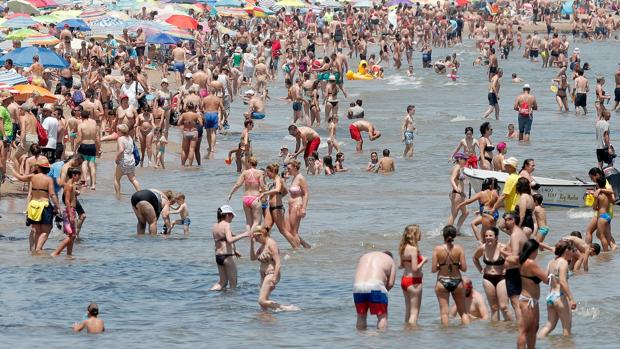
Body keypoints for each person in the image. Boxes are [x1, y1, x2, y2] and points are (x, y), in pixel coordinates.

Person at [7, 158, 60, 253]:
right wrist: (57, 206)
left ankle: (33, 250)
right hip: (44, 205)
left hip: (33, 205)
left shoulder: (32, 177)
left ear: (38, 168)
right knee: (46, 230)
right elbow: (52, 194)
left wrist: (12, 169)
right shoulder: (48, 179)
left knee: (35, 229)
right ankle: (38, 249)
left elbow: (20, 178)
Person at [512, 239, 549, 349]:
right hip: (528, 301)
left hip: (533, 300)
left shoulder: (523, 261)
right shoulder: (530, 263)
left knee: (534, 328)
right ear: (533, 250)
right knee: (524, 330)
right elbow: (547, 280)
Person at [250, 226, 296, 311]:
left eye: (256, 238)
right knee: (263, 305)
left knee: (261, 300)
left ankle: (286, 308)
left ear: (261, 235)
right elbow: (252, 258)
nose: (255, 240)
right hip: (263, 275)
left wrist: (274, 279)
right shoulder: (262, 246)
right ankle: (265, 320)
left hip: (271, 274)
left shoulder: (271, 243)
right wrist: (252, 243)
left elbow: (278, 263)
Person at [538, 240, 577, 338]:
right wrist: (571, 299)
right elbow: (563, 282)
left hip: (550, 297)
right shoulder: (563, 263)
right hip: (560, 297)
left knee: (549, 326)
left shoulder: (551, 262)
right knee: (566, 328)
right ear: (566, 250)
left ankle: (536, 342)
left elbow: (546, 280)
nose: (574, 253)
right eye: (573, 250)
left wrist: (555, 280)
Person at [432, 225, 470, 326]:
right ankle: (468, 335)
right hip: (457, 281)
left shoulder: (437, 249)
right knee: (463, 313)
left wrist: (441, 266)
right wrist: (456, 265)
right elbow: (464, 268)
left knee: (444, 313)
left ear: (443, 235)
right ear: (454, 235)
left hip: (442, 281)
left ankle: (446, 335)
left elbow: (433, 270)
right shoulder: (459, 249)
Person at [472, 227, 512, 321]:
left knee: (504, 307)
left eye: (490, 236)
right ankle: (495, 332)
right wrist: (480, 269)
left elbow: (512, 259)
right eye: (486, 236)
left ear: (496, 237)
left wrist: (506, 269)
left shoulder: (503, 247)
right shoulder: (482, 248)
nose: (488, 238)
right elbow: (474, 258)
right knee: (494, 307)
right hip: (487, 278)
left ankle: (511, 328)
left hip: (501, 278)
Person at [353, 251, 396, 330]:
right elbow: (390, 284)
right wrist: (383, 294)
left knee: (361, 316)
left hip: (358, 287)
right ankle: (381, 339)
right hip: (375, 286)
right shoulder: (390, 260)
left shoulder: (365, 256)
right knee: (382, 316)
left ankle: (359, 340)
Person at [260, 163, 301, 248]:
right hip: (270, 208)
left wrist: (266, 193)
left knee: (283, 230)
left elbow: (278, 189)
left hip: (277, 208)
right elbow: (285, 191)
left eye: (268, 173)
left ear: (273, 171)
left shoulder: (278, 179)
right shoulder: (274, 180)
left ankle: (296, 248)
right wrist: (277, 196)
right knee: (265, 230)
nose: (267, 175)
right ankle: (267, 248)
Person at [210, 205, 250, 291]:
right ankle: (231, 303)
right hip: (227, 256)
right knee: (233, 284)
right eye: (232, 215)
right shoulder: (227, 225)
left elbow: (221, 241)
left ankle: (209, 293)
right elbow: (230, 240)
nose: (232, 218)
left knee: (222, 282)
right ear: (227, 215)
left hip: (218, 256)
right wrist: (244, 234)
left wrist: (235, 250)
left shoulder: (215, 226)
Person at [398, 224, 427, 326]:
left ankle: (407, 335)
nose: (421, 234)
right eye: (419, 233)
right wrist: (423, 260)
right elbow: (415, 269)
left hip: (404, 280)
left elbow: (400, 266)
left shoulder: (402, 247)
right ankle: (413, 334)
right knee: (414, 313)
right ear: (414, 235)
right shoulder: (413, 249)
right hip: (414, 281)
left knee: (408, 310)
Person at [228, 157, 263, 233]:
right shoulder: (260, 172)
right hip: (255, 198)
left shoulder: (244, 172)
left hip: (246, 198)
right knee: (256, 222)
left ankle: (248, 238)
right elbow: (263, 186)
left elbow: (237, 184)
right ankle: (252, 238)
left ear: (249, 163)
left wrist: (230, 194)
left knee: (248, 222)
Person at [51, 167, 81, 257]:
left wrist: (76, 192)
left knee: (71, 235)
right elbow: (67, 200)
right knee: (72, 236)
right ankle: (56, 252)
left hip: (71, 210)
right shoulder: (70, 185)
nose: (80, 177)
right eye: (79, 175)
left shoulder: (71, 184)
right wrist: (71, 215)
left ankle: (69, 255)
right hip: (69, 211)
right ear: (74, 175)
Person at [286, 160, 311, 248]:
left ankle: (297, 250)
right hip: (291, 205)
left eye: (289, 168)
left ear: (295, 167)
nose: (287, 170)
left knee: (293, 231)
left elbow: (306, 193)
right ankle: (306, 246)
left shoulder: (300, 178)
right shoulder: (294, 177)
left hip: (297, 205)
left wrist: (303, 208)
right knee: (289, 230)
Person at [76, 110, 100, 190]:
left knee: (84, 163)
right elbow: (97, 138)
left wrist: (75, 148)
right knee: (92, 165)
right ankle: (93, 184)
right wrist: (98, 149)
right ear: (88, 116)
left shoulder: (81, 126)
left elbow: (79, 139)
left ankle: (85, 182)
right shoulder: (94, 125)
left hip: (84, 145)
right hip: (92, 145)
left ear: (81, 117)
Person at [113, 124, 140, 196]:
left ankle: (118, 195)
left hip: (123, 160)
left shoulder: (120, 139)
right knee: (133, 179)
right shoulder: (130, 138)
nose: (117, 131)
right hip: (131, 160)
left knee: (116, 179)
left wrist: (116, 158)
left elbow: (121, 150)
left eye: (117, 130)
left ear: (120, 131)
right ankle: (139, 192)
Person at [448, 153, 469, 234]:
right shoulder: (456, 167)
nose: (466, 161)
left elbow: (459, 182)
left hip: (460, 194)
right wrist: (456, 189)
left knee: (465, 213)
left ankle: (457, 230)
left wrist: (462, 192)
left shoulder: (460, 168)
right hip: (456, 194)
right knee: (454, 214)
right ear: (459, 159)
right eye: (464, 159)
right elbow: (452, 179)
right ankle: (448, 232)